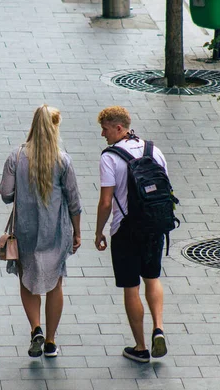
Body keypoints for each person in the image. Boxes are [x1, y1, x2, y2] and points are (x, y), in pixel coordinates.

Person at [0, 105, 82, 358]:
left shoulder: (16, 156)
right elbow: (74, 201)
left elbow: (6, 194)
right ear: (55, 127)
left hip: (25, 230)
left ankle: (35, 328)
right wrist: (77, 233)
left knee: (28, 280)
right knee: (55, 283)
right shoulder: (62, 160)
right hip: (55, 231)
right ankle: (50, 340)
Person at [94, 106, 168, 363]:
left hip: (125, 229)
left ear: (118, 128)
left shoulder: (110, 158)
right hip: (154, 226)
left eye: (105, 129)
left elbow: (105, 202)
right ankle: (158, 327)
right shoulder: (153, 150)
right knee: (153, 278)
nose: (103, 135)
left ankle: (140, 347)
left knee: (131, 287)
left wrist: (99, 232)